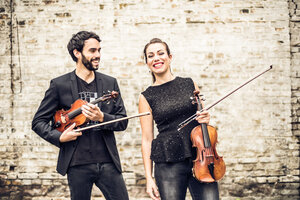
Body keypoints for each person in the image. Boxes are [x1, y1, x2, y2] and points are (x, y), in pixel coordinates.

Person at [32, 31, 129, 200]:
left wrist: (102, 117)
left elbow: (122, 122)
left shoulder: (109, 83)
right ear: (77, 53)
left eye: (99, 50)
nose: (97, 55)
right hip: (77, 163)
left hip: (108, 161)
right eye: (92, 51)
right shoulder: (59, 85)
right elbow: (38, 122)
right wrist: (60, 137)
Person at [139, 38, 220, 200]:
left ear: (170, 57)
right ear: (147, 62)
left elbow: (203, 119)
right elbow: (147, 139)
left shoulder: (189, 84)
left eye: (161, 53)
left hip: (200, 158)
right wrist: (149, 178)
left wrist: (206, 118)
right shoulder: (146, 97)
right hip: (167, 161)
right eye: (151, 55)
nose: (156, 58)